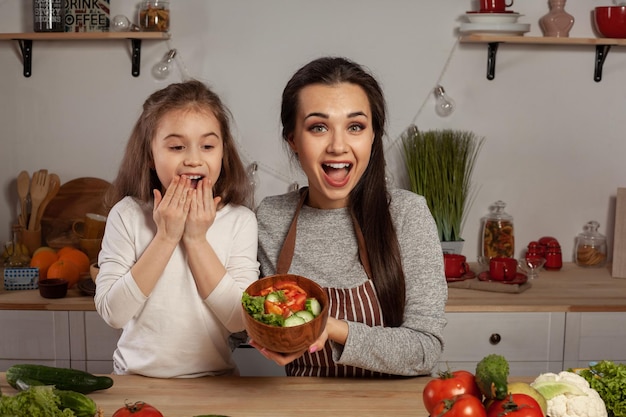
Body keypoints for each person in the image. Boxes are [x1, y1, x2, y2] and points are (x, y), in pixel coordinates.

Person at [253, 57, 448, 377]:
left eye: (355, 126)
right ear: (293, 140)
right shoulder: (272, 218)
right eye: (318, 127)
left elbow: (424, 350)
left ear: (373, 136)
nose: (338, 146)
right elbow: (238, 327)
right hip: (302, 408)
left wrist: (330, 328)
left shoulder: (407, 214)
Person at [94, 80, 259, 378]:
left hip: (215, 383)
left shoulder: (240, 221)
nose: (193, 159)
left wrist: (196, 239)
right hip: (135, 382)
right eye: (176, 147)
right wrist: (167, 236)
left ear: (222, 152)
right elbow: (113, 313)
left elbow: (240, 320)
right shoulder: (127, 215)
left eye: (208, 146)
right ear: (149, 156)